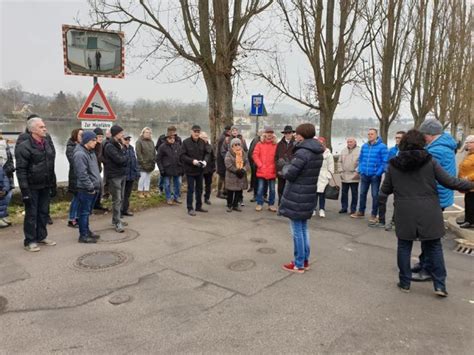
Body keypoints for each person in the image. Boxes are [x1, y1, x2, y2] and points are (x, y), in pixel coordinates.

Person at [378, 129, 474, 297]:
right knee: (434, 247)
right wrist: (470, 185)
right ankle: (440, 285)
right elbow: (450, 182)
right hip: (429, 210)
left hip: (405, 211)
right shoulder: (430, 161)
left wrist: (381, 211)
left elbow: (385, 190)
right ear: (422, 143)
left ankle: (405, 282)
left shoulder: (394, 164)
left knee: (404, 246)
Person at [412, 119, 457, 281]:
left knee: (429, 238)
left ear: (429, 135)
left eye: (423, 134)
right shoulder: (443, 146)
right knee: (428, 236)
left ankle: (428, 269)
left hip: (434, 198)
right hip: (439, 196)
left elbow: (425, 174)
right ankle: (424, 262)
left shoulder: (437, 150)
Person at [279, 123, 324, 273]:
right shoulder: (317, 151)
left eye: (297, 134)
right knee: (303, 229)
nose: (295, 136)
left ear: (302, 135)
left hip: (297, 194)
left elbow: (290, 174)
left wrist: (285, 166)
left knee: (297, 231)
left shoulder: (303, 152)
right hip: (308, 193)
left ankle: (298, 263)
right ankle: (304, 260)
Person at [15, 117, 57, 252]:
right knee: (31, 214)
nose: (44, 129)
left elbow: (51, 166)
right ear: (33, 130)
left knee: (44, 212)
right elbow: (21, 170)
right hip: (32, 186)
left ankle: (41, 236)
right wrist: (25, 191)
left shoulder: (47, 144)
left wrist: (53, 184)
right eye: (41, 127)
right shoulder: (24, 147)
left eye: (44, 126)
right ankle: (30, 241)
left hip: (45, 184)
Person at [351, 128, 388, 223]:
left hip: (375, 175)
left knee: (375, 195)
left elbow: (385, 161)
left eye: (372, 134)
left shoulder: (382, 146)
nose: (370, 135)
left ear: (376, 135)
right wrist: (361, 170)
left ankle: (374, 214)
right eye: (368, 134)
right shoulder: (364, 146)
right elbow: (361, 159)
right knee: (362, 193)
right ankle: (361, 211)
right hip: (365, 174)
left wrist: (378, 173)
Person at [73, 131, 101, 243]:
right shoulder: (80, 154)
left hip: (93, 187)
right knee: (83, 212)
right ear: (86, 141)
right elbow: (82, 174)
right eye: (93, 140)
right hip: (86, 189)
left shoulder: (91, 152)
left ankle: (87, 231)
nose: (95, 142)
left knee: (87, 212)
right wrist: (90, 187)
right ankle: (83, 235)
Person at [375, 131, 406, 229]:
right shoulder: (392, 150)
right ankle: (381, 221)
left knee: (398, 202)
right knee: (381, 197)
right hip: (390, 177)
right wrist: (387, 169)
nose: (397, 139)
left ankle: (394, 222)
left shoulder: (407, 152)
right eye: (396, 137)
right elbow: (386, 162)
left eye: (400, 138)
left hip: (401, 179)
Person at [103, 125, 129, 233]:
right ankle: (117, 222)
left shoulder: (119, 144)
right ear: (116, 134)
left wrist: (124, 149)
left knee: (121, 198)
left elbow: (124, 159)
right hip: (114, 176)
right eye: (121, 133)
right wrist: (125, 151)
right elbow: (120, 160)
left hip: (122, 174)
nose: (123, 135)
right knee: (116, 200)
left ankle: (116, 219)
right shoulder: (109, 146)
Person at [180, 125, 210, 216]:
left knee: (200, 189)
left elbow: (207, 153)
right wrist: (192, 161)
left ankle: (198, 206)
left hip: (200, 170)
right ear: (191, 132)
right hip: (190, 170)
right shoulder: (185, 142)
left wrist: (205, 161)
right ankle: (190, 208)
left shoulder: (202, 142)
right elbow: (182, 156)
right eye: (195, 131)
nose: (197, 133)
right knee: (191, 189)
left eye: (198, 132)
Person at [253, 126, 278, 212]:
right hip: (262, 170)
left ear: (273, 134)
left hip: (272, 170)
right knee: (260, 188)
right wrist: (260, 165)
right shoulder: (259, 144)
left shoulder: (275, 145)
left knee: (272, 189)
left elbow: (277, 157)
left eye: (271, 133)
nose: (269, 135)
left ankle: (271, 204)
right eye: (268, 133)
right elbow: (255, 155)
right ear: (265, 134)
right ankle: (259, 203)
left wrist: (275, 166)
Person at [157, 131, 183, 205]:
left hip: (176, 169)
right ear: (167, 138)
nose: (172, 139)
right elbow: (158, 159)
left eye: (173, 138)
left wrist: (181, 168)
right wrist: (161, 169)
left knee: (177, 183)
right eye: (170, 138)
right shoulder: (162, 147)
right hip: (166, 169)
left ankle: (176, 197)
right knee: (167, 184)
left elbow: (181, 157)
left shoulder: (178, 145)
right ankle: (168, 198)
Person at [225, 138, 249, 212]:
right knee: (230, 192)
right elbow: (228, 164)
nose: (237, 146)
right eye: (235, 144)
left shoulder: (243, 153)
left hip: (241, 176)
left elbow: (247, 163)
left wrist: (243, 169)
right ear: (232, 146)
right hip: (231, 176)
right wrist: (236, 170)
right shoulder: (228, 153)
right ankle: (229, 205)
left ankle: (235, 205)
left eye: (239, 144)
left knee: (238, 191)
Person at [66, 128, 83, 228]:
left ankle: (77, 217)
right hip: (75, 176)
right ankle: (71, 219)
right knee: (76, 198)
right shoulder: (71, 147)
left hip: (81, 176)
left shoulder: (82, 146)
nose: (82, 137)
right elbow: (74, 162)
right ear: (75, 135)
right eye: (80, 135)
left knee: (80, 198)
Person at [314, 137, 334, 218]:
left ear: (324, 144)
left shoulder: (328, 155)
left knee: (322, 194)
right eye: (319, 144)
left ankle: (322, 209)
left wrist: (328, 177)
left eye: (322, 144)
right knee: (314, 194)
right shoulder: (315, 153)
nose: (321, 145)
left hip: (324, 176)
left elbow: (331, 166)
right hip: (315, 175)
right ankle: (313, 209)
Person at [339, 137, 360, 215]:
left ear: (355, 142)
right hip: (344, 174)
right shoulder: (343, 150)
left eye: (351, 142)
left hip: (354, 175)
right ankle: (344, 208)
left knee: (354, 193)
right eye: (348, 142)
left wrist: (357, 172)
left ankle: (353, 209)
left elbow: (361, 162)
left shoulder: (359, 151)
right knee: (344, 193)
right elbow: (339, 162)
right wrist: (341, 171)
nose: (349, 143)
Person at [275, 125, 296, 204]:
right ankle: (281, 202)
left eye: (289, 133)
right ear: (284, 134)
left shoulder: (296, 143)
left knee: (290, 187)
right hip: (281, 168)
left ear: (292, 133)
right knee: (281, 187)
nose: (288, 134)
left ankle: (289, 203)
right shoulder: (279, 144)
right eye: (286, 133)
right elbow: (276, 157)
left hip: (291, 168)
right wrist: (277, 167)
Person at [122, 135, 140, 217]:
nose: (127, 141)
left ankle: (125, 209)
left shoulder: (131, 148)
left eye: (128, 139)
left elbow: (135, 161)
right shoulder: (121, 148)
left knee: (127, 194)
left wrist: (137, 172)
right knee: (121, 194)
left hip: (131, 175)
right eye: (126, 139)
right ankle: (119, 211)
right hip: (123, 175)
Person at [458, 135, 474, 228]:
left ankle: (470, 221)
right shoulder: (469, 154)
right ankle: (467, 219)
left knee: (471, 202)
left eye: (470, 142)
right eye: (467, 142)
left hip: (471, 183)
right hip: (467, 184)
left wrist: (468, 178)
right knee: (468, 202)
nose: (467, 144)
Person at [135, 127, 156, 198]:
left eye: (149, 133)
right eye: (146, 132)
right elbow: (138, 154)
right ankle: (140, 192)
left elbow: (154, 152)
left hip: (150, 164)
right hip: (142, 164)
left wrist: (153, 161)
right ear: (143, 133)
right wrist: (143, 163)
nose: (148, 134)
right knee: (142, 178)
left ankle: (146, 191)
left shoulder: (151, 142)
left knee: (148, 178)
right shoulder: (139, 141)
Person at [0, 132, 14, 228]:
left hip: (7, 173)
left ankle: (3, 215)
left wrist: (11, 167)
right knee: (2, 195)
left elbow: (9, 159)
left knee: (7, 195)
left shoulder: (5, 143)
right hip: (2, 174)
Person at [92, 127, 108, 212]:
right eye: (99, 136)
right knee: (95, 188)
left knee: (100, 188)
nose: (101, 138)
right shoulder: (92, 146)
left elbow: (101, 157)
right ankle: (93, 205)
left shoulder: (100, 145)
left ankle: (97, 204)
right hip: (92, 171)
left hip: (98, 169)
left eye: (102, 136)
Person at [200, 131, 216, 205]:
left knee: (208, 185)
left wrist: (214, 167)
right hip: (200, 169)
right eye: (203, 137)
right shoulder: (197, 146)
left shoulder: (210, 146)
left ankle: (207, 198)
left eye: (206, 137)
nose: (205, 139)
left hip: (209, 169)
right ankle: (199, 198)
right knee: (199, 185)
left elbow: (213, 158)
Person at [248, 129, 264, 200]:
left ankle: (261, 195)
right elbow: (251, 152)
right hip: (256, 164)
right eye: (261, 133)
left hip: (262, 164)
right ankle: (256, 195)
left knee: (261, 180)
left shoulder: (264, 141)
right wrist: (254, 162)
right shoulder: (256, 140)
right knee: (256, 180)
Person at [216, 125, 231, 199]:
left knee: (224, 176)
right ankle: (219, 192)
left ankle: (224, 191)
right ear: (228, 131)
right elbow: (222, 151)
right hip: (222, 160)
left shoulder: (224, 136)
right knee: (222, 176)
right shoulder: (224, 138)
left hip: (222, 160)